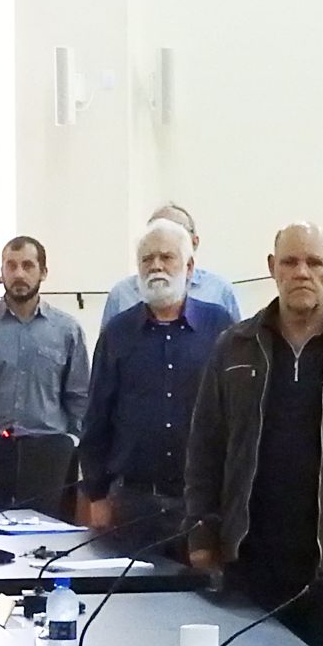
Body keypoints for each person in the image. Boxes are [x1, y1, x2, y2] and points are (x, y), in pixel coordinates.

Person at [183, 221, 323, 646]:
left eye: (314, 262)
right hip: (250, 565)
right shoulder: (234, 347)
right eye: (290, 262)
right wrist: (201, 534)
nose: (302, 272)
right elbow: (205, 447)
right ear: (272, 267)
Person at [77, 218, 231, 543]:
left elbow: (235, 412)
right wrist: (96, 494)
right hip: (131, 503)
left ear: (189, 267)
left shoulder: (219, 327)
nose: (156, 266)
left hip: (200, 506)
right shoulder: (117, 333)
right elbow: (96, 418)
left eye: (166, 257)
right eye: (147, 259)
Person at [0, 234, 91, 491]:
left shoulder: (67, 330)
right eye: (11, 266)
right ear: (2, 271)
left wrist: (75, 446)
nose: (19, 274)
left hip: (49, 451)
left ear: (43, 272)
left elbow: (79, 397)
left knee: (44, 518)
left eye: (27, 265)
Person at [102, 202, 241, 327]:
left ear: (194, 242)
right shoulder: (121, 294)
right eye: (156, 231)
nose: (157, 266)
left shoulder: (219, 291)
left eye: (166, 257)